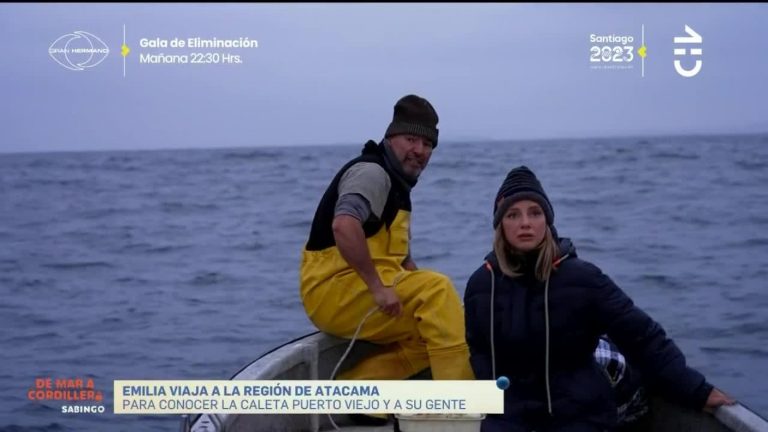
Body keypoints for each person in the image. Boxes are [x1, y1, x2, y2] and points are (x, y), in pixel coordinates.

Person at [463, 166, 735, 432]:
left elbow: (642, 337)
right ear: (500, 225)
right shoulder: (481, 285)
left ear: (547, 221)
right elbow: (478, 353)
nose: (525, 223)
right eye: (512, 214)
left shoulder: (583, 279)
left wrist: (696, 391)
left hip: (578, 417)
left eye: (535, 213)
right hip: (509, 420)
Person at [299, 95, 475, 388]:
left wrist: (408, 280)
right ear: (390, 137)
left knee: (452, 317)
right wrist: (378, 288)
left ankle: (359, 393)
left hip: (363, 289)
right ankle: (460, 407)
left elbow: (402, 259)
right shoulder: (372, 173)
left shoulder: (398, 187)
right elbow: (343, 225)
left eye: (428, 144)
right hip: (333, 290)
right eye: (411, 139)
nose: (419, 150)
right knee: (438, 290)